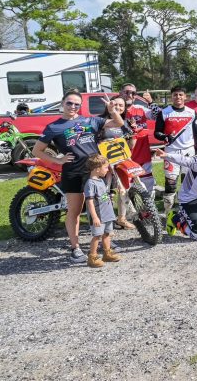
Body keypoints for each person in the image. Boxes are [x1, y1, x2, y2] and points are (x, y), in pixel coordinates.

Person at [33, 90, 122, 263]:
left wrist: (113, 110)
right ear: (62, 103)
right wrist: (58, 161)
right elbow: (37, 150)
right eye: (69, 103)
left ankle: (105, 242)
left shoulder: (90, 120)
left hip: (95, 171)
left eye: (76, 104)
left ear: (80, 106)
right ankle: (76, 248)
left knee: (102, 205)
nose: (73, 106)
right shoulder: (54, 127)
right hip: (73, 172)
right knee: (75, 211)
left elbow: (118, 124)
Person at [154, 86, 197, 213]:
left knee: (189, 182)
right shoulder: (164, 112)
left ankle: (187, 210)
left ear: (185, 96)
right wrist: (165, 136)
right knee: (170, 183)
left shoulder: (191, 112)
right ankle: (168, 212)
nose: (178, 97)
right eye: (175, 95)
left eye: (181, 95)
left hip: (188, 152)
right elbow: (156, 133)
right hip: (170, 152)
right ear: (172, 97)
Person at [98, 95, 136, 230]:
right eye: (116, 104)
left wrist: (133, 133)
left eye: (121, 105)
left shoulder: (125, 122)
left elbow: (130, 145)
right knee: (105, 191)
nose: (118, 107)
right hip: (104, 162)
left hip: (120, 161)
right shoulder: (101, 120)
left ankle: (121, 218)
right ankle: (105, 220)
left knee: (123, 189)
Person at [83, 154, 122, 268]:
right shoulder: (90, 184)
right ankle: (93, 257)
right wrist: (94, 217)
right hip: (99, 215)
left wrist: (108, 197)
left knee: (107, 234)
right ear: (97, 169)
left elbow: (101, 196)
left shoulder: (101, 181)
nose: (107, 170)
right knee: (97, 235)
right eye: (106, 168)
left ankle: (107, 253)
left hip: (107, 213)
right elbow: (90, 201)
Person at [120, 83, 157, 197]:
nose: (129, 95)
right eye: (126, 92)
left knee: (147, 182)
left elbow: (158, 115)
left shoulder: (140, 109)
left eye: (133, 93)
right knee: (125, 187)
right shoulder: (115, 110)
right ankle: (129, 211)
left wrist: (151, 102)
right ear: (120, 93)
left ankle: (149, 210)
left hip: (142, 153)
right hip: (123, 154)